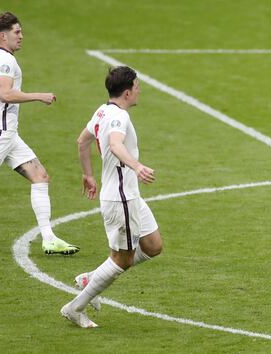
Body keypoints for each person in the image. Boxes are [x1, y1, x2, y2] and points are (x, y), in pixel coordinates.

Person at [0, 12, 78, 255]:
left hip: (7, 132)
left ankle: (49, 239)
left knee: (40, 177)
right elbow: (5, 94)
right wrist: (39, 96)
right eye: (17, 32)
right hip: (1, 133)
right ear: (3, 36)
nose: (21, 36)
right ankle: (49, 238)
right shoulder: (5, 62)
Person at [61, 66, 163, 328]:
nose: (140, 90)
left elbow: (82, 142)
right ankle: (75, 307)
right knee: (123, 259)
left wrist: (88, 174)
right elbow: (116, 144)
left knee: (152, 245)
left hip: (129, 195)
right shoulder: (119, 117)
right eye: (138, 86)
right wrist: (137, 166)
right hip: (121, 199)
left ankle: (91, 278)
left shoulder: (102, 110)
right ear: (127, 92)